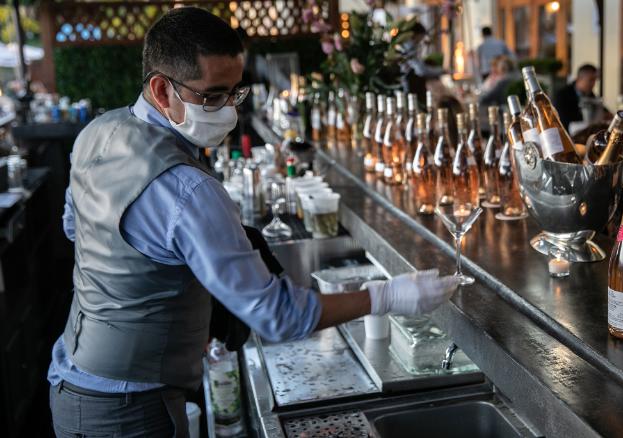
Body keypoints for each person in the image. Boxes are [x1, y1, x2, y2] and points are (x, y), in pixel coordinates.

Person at [47, 8, 458, 437]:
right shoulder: (189, 190)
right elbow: (278, 317)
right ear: (161, 90)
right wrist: (386, 295)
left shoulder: (97, 132)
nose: (227, 110)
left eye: (233, 94)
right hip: (131, 411)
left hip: (72, 382)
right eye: (211, 96)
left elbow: (78, 230)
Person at [402, 22, 445, 100]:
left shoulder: (411, 46)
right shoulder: (408, 47)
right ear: (416, 34)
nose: (421, 40)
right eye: (421, 37)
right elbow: (420, 70)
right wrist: (441, 71)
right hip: (410, 86)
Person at [553, 63, 600, 131]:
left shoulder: (590, 95)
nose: (593, 83)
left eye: (595, 80)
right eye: (591, 80)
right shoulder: (562, 95)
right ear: (579, 79)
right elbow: (562, 119)